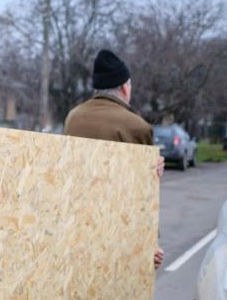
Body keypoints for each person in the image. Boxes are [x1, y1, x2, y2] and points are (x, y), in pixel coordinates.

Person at [64, 49, 165, 269]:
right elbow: (144, 192)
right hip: (119, 233)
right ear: (125, 87)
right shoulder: (138, 126)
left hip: (78, 228)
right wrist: (151, 242)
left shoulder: (73, 118)